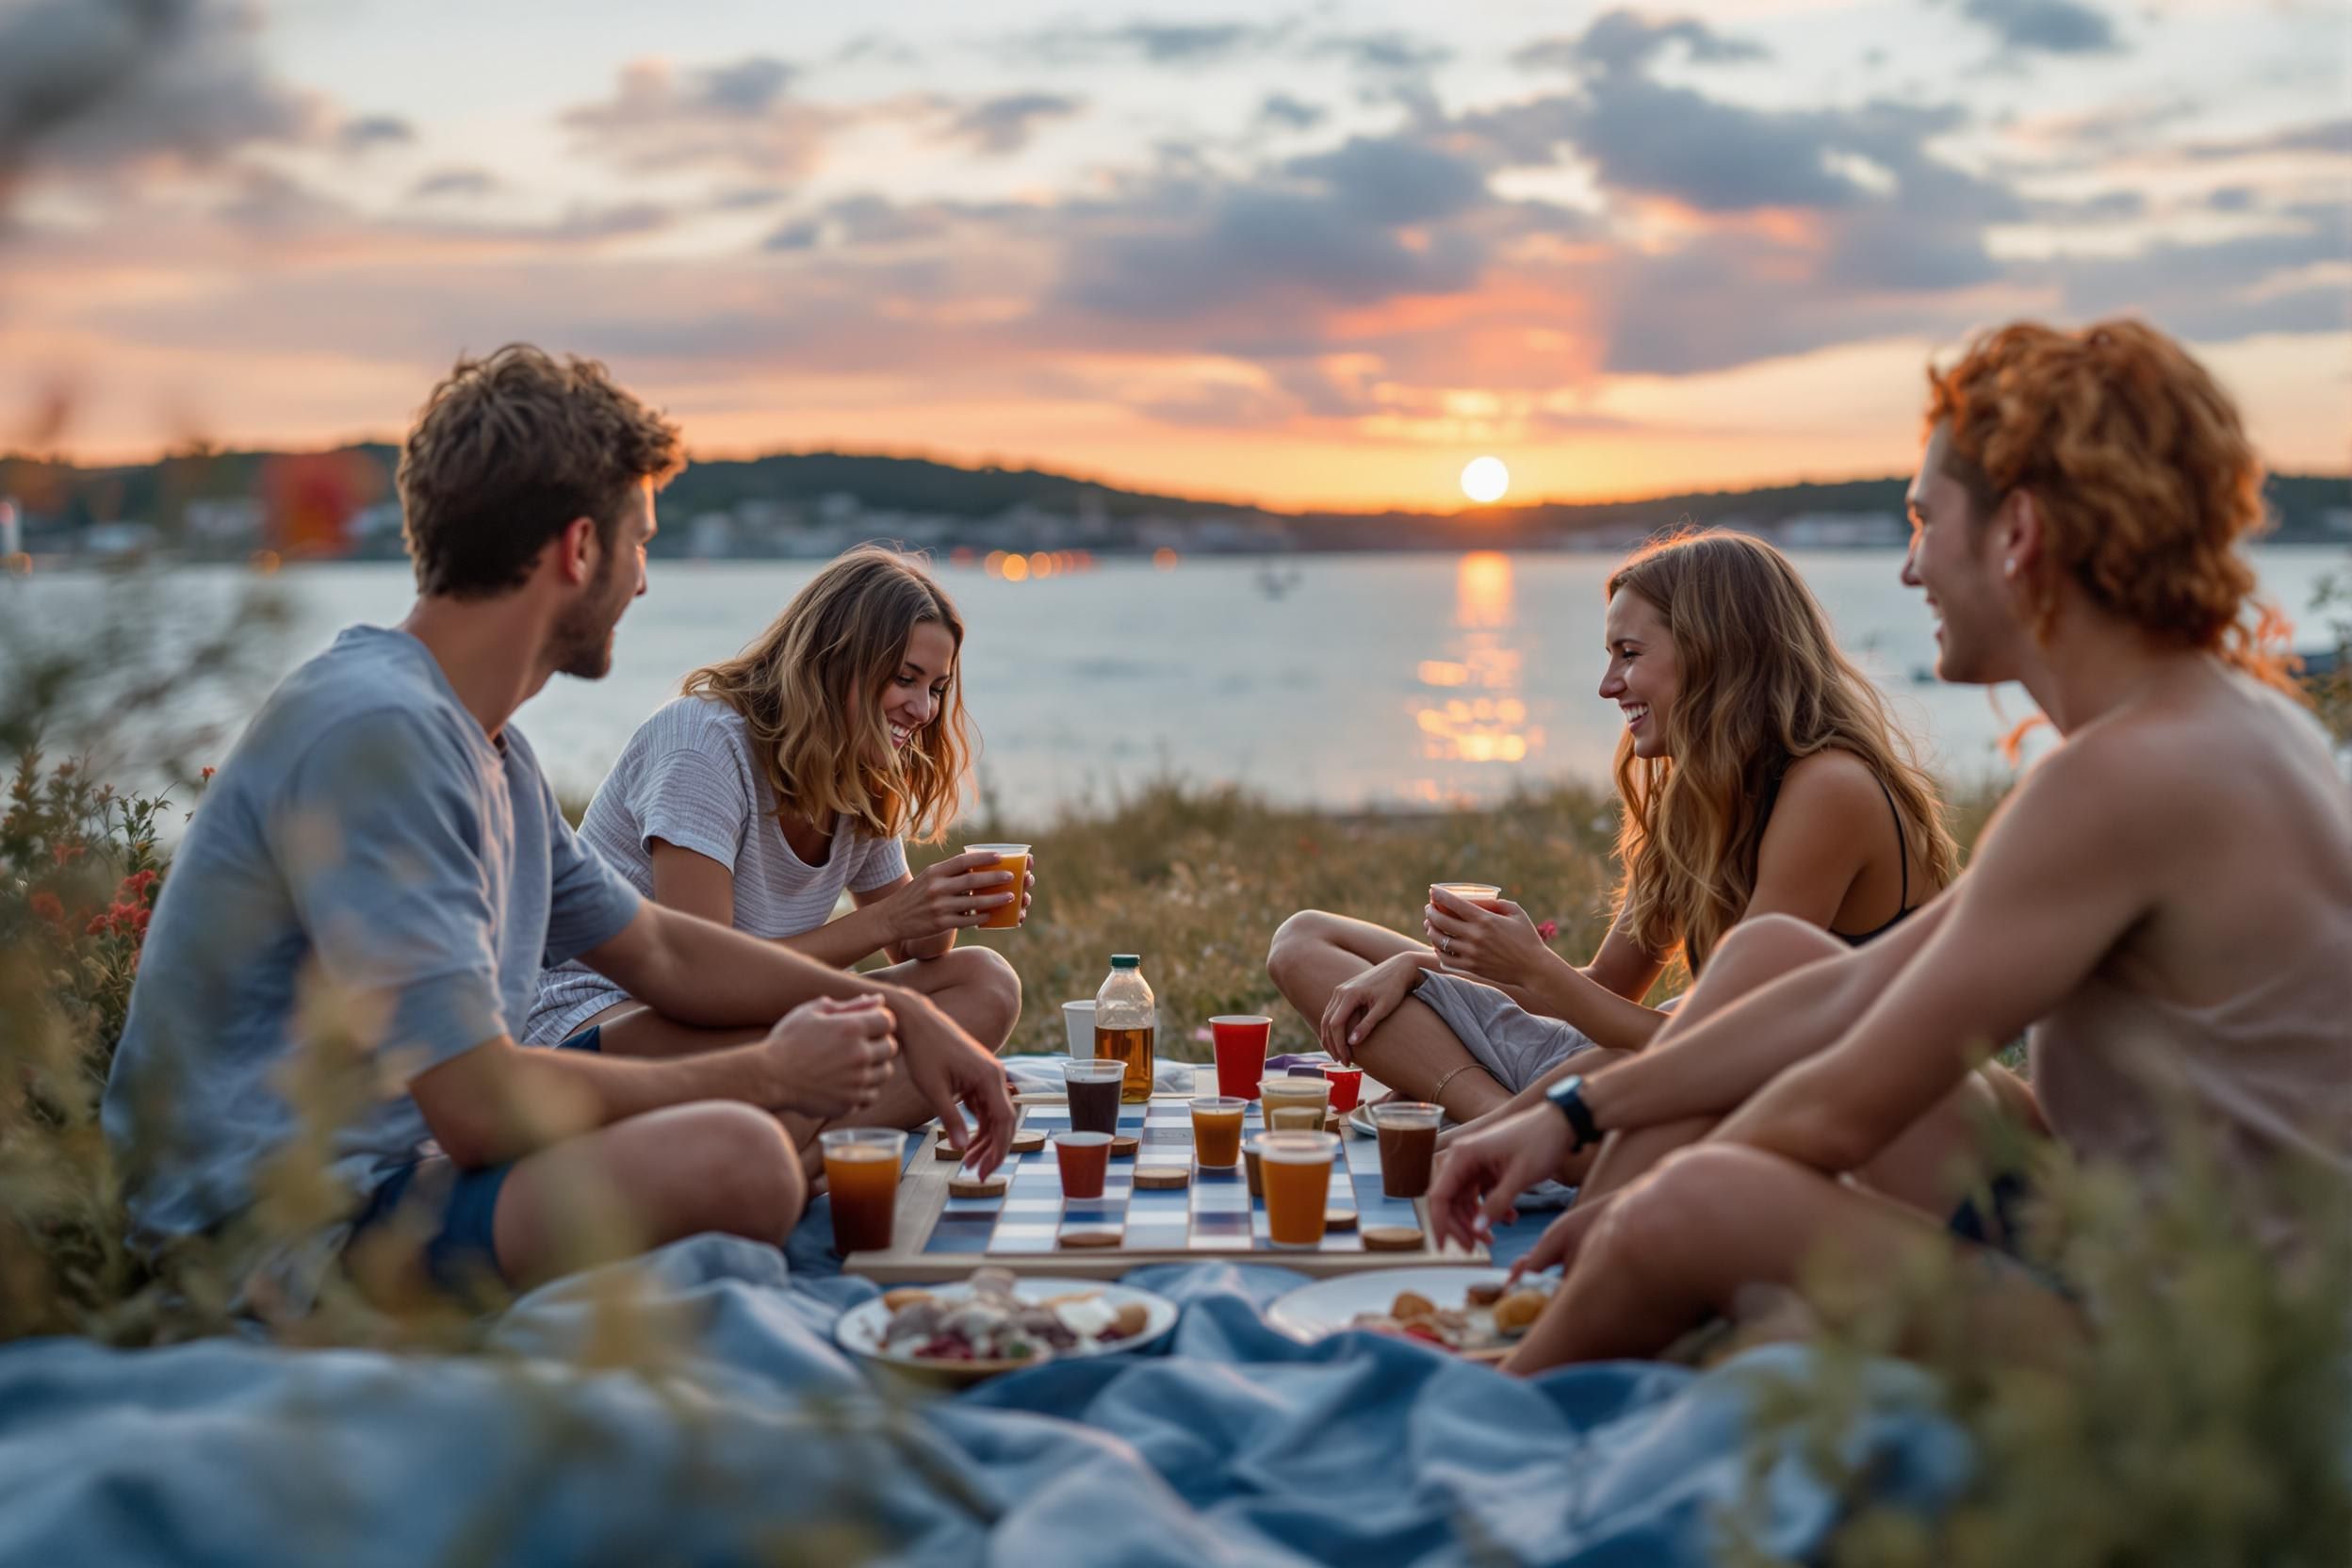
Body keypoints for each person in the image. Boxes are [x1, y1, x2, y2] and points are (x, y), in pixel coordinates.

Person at [1429, 318, 2352, 1375]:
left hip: (2208, 1356)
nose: (1911, 567)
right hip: (2123, 1224)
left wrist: (1651, 1208)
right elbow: (1854, 991)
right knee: (1775, 962)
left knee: (1696, 1200)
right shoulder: (2214, 724)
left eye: (1924, 520)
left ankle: (1510, 1389)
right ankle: (1587, 1303)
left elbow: (1841, 1098)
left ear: (2020, 532)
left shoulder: (2123, 780)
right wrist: (1573, 1107)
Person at [101, 346, 1014, 1307]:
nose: (646, 582)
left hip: (396, 1174)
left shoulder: (493, 752)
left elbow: (661, 947)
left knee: (753, 1144)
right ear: (581, 549)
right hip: (271, 1232)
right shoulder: (382, 733)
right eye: (643, 543)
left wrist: (905, 1008)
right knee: (742, 1158)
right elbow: (477, 1107)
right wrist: (769, 1073)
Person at [1266, 530, 1959, 1152]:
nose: (1607, 686)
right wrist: (1424, 968)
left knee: (1599, 1071)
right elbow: (1601, 990)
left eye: (1630, 655)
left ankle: (1517, 1135)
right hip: (1650, 1064)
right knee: (1306, 940)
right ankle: (1501, 1123)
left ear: (1719, 652)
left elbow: (1727, 1051)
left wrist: (1532, 972)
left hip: (1745, 1103)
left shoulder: (1829, 789)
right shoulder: (1698, 796)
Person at [526, 547, 1028, 1129]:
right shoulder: (704, 742)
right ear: (835, 661)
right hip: (603, 1024)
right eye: (904, 679)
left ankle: (796, 1155)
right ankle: (799, 1151)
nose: (923, 709)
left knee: (983, 982)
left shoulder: (862, 769)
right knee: (838, 1040)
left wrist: (949, 903)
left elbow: (918, 952)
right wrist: (890, 921)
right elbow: (704, 980)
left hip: (748, 1022)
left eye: (937, 687)